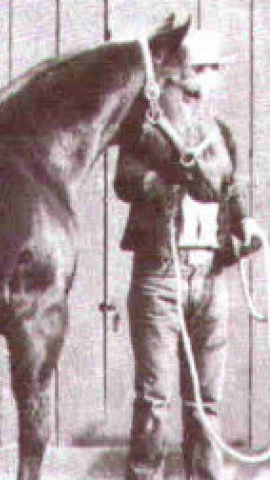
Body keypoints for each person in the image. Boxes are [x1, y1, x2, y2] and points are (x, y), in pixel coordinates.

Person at [115, 29, 266, 480]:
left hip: (209, 276)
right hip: (162, 273)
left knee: (206, 401)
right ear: (179, 78)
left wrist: (247, 224)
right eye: (199, 72)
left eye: (214, 70)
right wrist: (169, 179)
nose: (207, 82)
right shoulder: (149, 130)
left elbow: (230, 185)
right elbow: (126, 181)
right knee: (155, 400)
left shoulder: (221, 134)